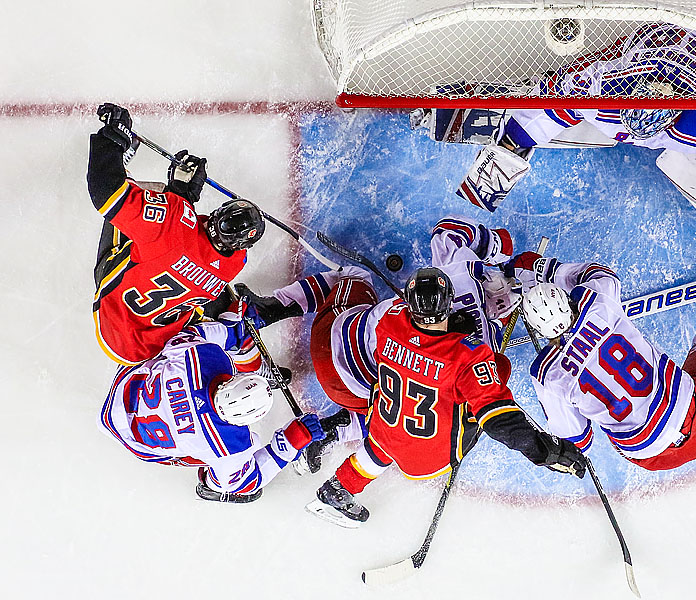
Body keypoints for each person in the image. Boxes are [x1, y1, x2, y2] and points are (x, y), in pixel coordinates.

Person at [448, 22, 696, 289]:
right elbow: (547, 105)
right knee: (553, 96)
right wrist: (510, 149)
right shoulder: (598, 89)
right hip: (643, 48)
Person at [304, 267, 588, 528]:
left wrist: (440, 338)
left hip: (383, 429)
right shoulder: (469, 355)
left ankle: (336, 489)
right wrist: (545, 451)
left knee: (387, 437)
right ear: (449, 303)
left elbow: (413, 337)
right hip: (433, 457)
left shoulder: (389, 321)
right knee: (499, 367)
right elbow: (499, 421)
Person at [236, 216, 519, 471]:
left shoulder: (452, 278)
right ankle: (329, 431)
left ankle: (269, 309)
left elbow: (446, 232)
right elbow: (489, 380)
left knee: (354, 275)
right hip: (353, 394)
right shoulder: (481, 348)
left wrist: (499, 246)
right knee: (394, 412)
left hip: (331, 342)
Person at [506, 253, 696, 471]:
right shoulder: (595, 300)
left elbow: (579, 441)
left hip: (650, 458)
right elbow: (598, 273)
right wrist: (544, 268)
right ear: (569, 300)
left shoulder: (547, 375)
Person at [87, 103, 266, 365]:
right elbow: (185, 244)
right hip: (149, 345)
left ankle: (124, 168)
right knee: (207, 299)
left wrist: (114, 137)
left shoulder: (173, 220)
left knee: (138, 203)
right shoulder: (234, 264)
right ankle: (249, 358)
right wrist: (182, 196)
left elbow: (105, 191)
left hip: (113, 318)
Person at [98, 311, 326, 503]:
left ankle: (237, 337)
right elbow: (246, 483)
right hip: (140, 441)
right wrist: (294, 439)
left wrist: (231, 330)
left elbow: (190, 334)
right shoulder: (229, 445)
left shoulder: (202, 358)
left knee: (177, 332)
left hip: (126, 387)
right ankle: (212, 484)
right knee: (224, 473)